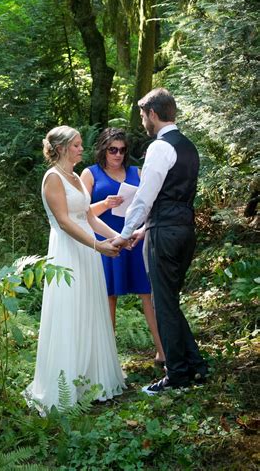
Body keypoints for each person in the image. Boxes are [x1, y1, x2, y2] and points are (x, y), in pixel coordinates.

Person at [24, 126, 126, 414]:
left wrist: (117, 238)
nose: (83, 149)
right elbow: (66, 222)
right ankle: (65, 385)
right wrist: (98, 246)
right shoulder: (53, 178)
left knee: (90, 309)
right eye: (78, 145)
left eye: (82, 144)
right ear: (62, 148)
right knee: (70, 311)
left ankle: (91, 380)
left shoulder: (76, 177)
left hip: (88, 251)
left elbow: (88, 216)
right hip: (68, 252)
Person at [113, 88, 208, 393]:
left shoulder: (160, 147)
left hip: (164, 235)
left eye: (143, 116)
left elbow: (145, 196)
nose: (143, 122)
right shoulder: (188, 146)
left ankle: (177, 376)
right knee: (169, 301)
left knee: (162, 303)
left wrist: (126, 232)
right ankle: (196, 366)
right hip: (184, 231)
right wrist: (144, 229)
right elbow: (176, 195)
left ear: (153, 114)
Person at [80, 128, 165, 366]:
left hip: (135, 241)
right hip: (107, 240)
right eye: (112, 150)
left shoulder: (135, 172)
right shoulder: (91, 174)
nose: (118, 155)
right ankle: (108, 362)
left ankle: (162, 351)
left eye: (122, 150)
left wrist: (140, 230)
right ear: (103, 149)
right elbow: (81, 213)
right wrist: (105, 204)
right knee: (109, 296)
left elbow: (151, 206)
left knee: (148, 293)